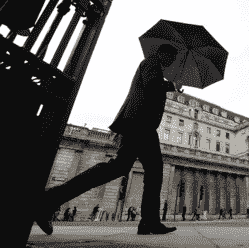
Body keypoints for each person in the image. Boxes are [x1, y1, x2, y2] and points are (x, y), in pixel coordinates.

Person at [35, 44, 182, 235]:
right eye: (171, 56)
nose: (172, 61)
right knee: (151, 171)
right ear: (162, 53)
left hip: (138, 124)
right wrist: (172, 86)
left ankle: (50, 200)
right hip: (140, 124)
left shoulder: (152, 66)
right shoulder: (151, 63)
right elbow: (152, 86)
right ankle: (149, 222)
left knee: (120, 168)